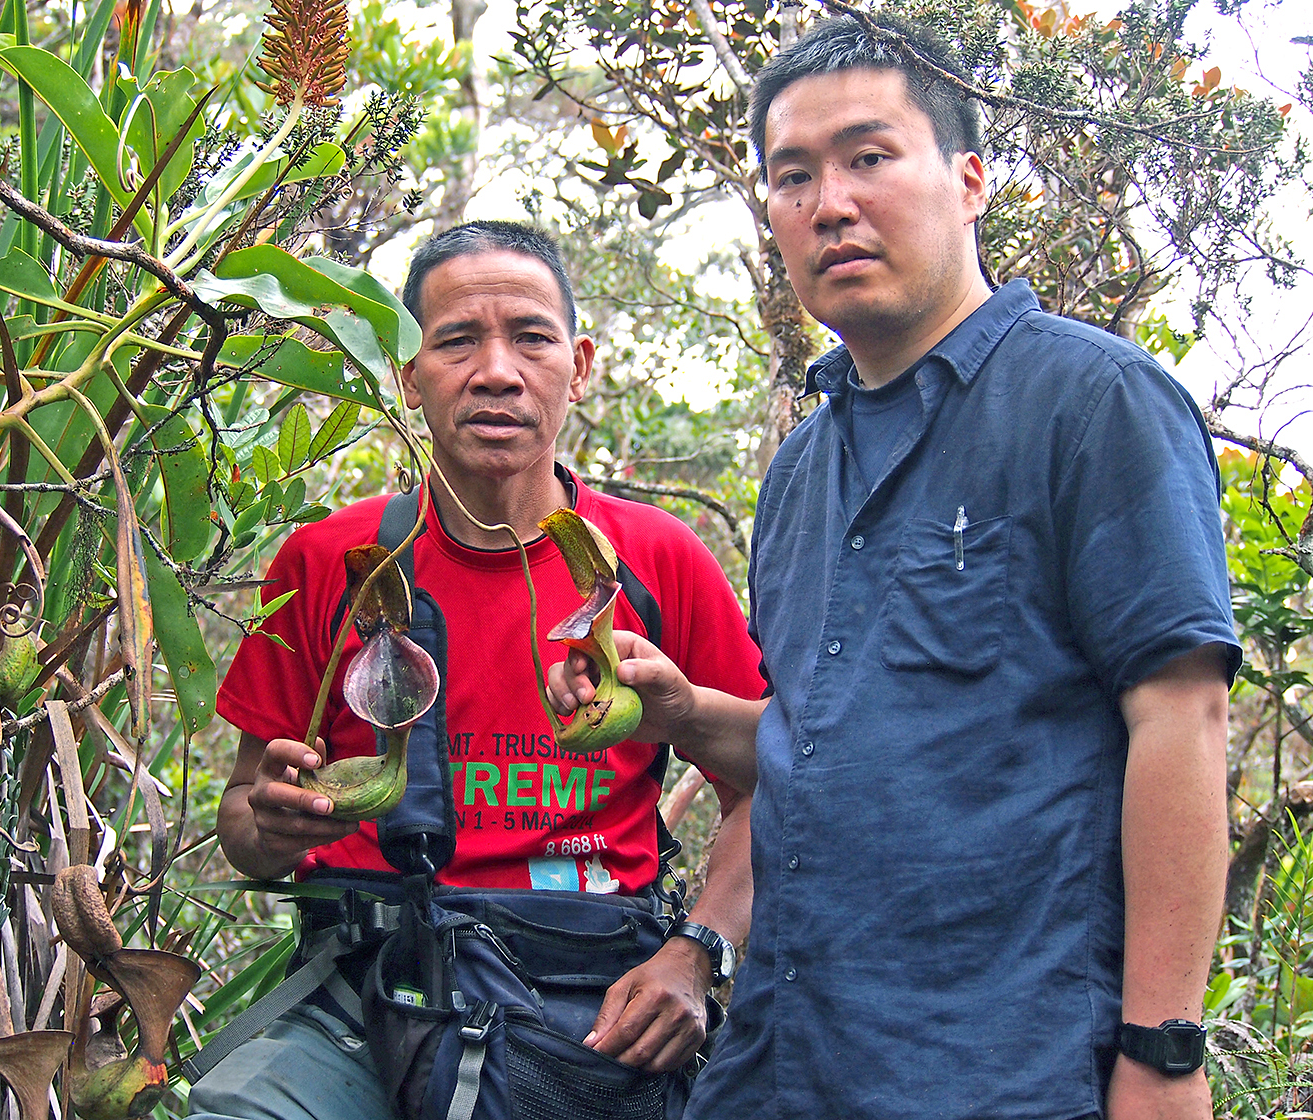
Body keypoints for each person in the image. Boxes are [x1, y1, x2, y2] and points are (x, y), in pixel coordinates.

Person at [549, 17, 1241, 1120]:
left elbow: (1181, 721)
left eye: (870, 157)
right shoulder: (801, 471)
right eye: (793, 175)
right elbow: (817, 747)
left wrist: (1161, 1051)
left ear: (968, 181)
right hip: (785, 1060)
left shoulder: (1092, 404)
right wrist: (682, 712)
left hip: (994, 1069)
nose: (831, 202)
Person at [187, 220, 764, 1120]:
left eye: (531, 338)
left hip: (589, 993)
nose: (497, 370)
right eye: (457, 341)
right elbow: (241, 818)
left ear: (580, 367)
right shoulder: (330, 561)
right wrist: (272, 826)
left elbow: (768, 788)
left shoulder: (657, 559)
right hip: (369, 994)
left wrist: (698, 954)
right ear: (408, 378)